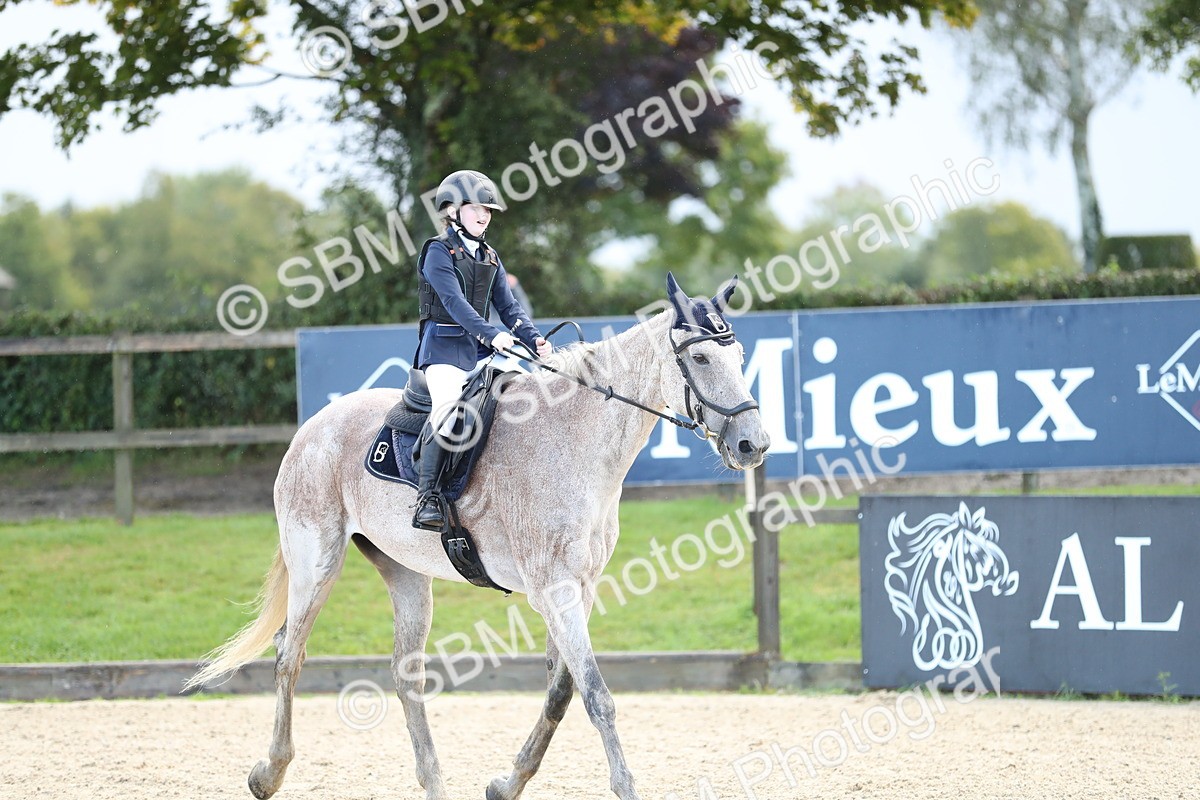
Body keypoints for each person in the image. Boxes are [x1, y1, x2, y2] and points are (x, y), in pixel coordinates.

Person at [411, 169, 552, 530]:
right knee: (446, 411)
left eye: (487, 210)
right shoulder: (437, 252)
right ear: (453, 210)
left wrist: (532, 337)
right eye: (476, 208)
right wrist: (491, 335)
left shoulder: (490, 256)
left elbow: (509, 307)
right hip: (443, 352)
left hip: (481, 353)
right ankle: (427, 497)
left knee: (528, 395)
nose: (484, 215)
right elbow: (455, 303)